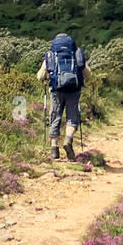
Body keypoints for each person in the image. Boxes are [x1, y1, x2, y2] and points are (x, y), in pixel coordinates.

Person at [37, 32, 89, 160]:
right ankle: (68, 140)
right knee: (72, 117)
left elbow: (39, 76)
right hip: (73, 90)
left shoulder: (51, 55)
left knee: (55, 116)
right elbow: (88, 74)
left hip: (56, 90)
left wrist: (46, 78)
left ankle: (54, 150)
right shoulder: (76, 53)